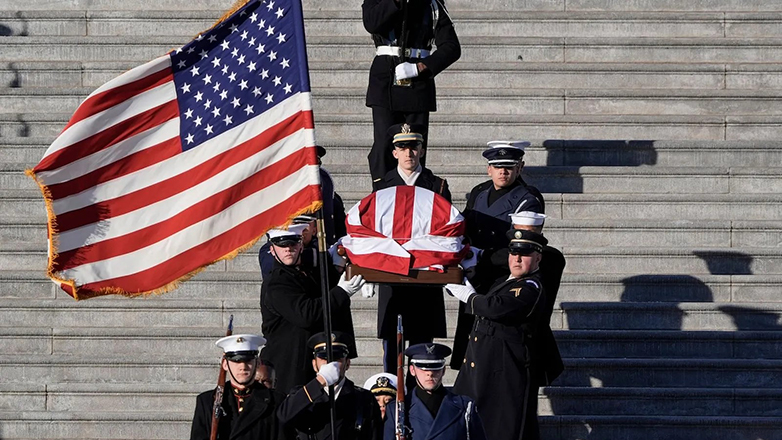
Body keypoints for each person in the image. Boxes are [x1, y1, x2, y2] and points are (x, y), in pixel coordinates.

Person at [451, 140, 545, 370]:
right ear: (489, 169)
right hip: (475, 275)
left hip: (503, 276)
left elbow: (524, 245)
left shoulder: (528, 198)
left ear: (520, 168)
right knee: (469, 343)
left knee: (493, 346)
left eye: (509, 167)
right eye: (498, 166)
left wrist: (482, 254)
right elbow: (464, 224)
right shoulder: (479, 192)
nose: (503, 172)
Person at [447, 230, 549, 440]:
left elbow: (495, 308)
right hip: (482, 367)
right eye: (513, 253)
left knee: (502, 430)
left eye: (525, 255)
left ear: (538, 258)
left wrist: (469, 296)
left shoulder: (531, 287)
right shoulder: (505, 281)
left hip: (504, 372)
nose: (517, 259)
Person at [369, 122, 450, 376]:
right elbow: (373, 229)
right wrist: (369, 269)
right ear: (394, 152)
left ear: (422, 150)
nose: (408, 153)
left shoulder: (437, 185)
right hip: (391, 277)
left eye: (413, 147)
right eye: (402, 147)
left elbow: (447, 230)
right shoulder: (382, 185)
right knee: (392, 351)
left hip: (424, 278)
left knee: (422, 350)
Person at [362, 0, 461, 190]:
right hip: (385, 81)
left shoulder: (432, 4)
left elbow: (451, 46)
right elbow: (372, 23)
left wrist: (420, 67)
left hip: (417, 82)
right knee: (384, 146)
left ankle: (415, 194)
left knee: (414, 145)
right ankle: (383, 193)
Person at [260, 226, 366, 394]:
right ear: (272, 250)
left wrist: (338, 271)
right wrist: (342, 292)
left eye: (293, 245)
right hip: (288, 365)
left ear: (301, 246)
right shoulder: (276, 283)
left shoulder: (304, 273)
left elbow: (322, 295)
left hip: (311, 359)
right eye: (282, 246)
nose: (288, 249)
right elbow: (307, 314)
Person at [277, 332, 383, 440]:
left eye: (337, 358)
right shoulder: (303, 395)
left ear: (347, 364)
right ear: (314, 365)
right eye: (324, 358)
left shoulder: (363, 398)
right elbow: (283, 416)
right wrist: (319, 382)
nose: (330, 364)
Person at [190, 334, 292, 440]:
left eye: (248, 360)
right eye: (236, 361)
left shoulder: (275, 402)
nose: (243, 367)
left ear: (257, 363)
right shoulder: (207, 402)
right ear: (225, 364)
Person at [383, 343, 487, 440]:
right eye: (423, 369)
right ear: (412, 370)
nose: (430, 373)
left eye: (435, 368)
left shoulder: (465, 407)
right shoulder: (397, 410)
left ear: (444, 370)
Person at [510, 211, 566, 387]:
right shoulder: (504, 256)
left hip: (531, 338)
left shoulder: (550, 258)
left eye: (530, 233)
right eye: (520, 232)